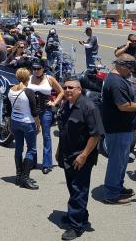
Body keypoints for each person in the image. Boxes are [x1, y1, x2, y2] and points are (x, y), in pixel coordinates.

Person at [101, 54, 136, 204]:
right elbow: (123, 106)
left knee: (122, 161)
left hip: (123, 128)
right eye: (130, 68)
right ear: (121, 66)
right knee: (117, 162)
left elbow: (127, 99)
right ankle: (111, 194)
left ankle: (117, 186)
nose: (131, 72)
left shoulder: (120, 79)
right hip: (118, 129)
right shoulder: (116, 82)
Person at [56, 77, 103, 240]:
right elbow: (63, 130)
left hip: (81, 157)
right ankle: (79, 216)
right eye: (66, 87)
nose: (68, 90)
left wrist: (83, 155)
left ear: (79, 90)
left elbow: (96, 134)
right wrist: (58, 151)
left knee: (79, 190)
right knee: (73, 188)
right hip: (67, 154)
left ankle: (76, 227)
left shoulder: (88, 107)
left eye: (72, 88)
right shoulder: (67, 104)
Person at [28, 59, 65, 174]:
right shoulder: (29, 78)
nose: (36, 71)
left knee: (46, 136)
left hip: (46, 111)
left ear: (43, 68)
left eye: (38, 68)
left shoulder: (49, 79)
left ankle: (47, 164)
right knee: (32, 135)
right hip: (31, 111)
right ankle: (31, 162)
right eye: (34, 68)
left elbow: (61, 92)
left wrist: (54, 103)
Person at [8, 68, 40, 189]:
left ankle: (18, 175)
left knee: (18, 148)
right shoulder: (28, 92)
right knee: (31, 149)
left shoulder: (10, 90)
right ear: (28, 78)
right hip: (27, 123)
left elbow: (9, 108)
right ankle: (25, 178)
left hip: (15, 122)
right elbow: (35, 112)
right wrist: (38, 125)